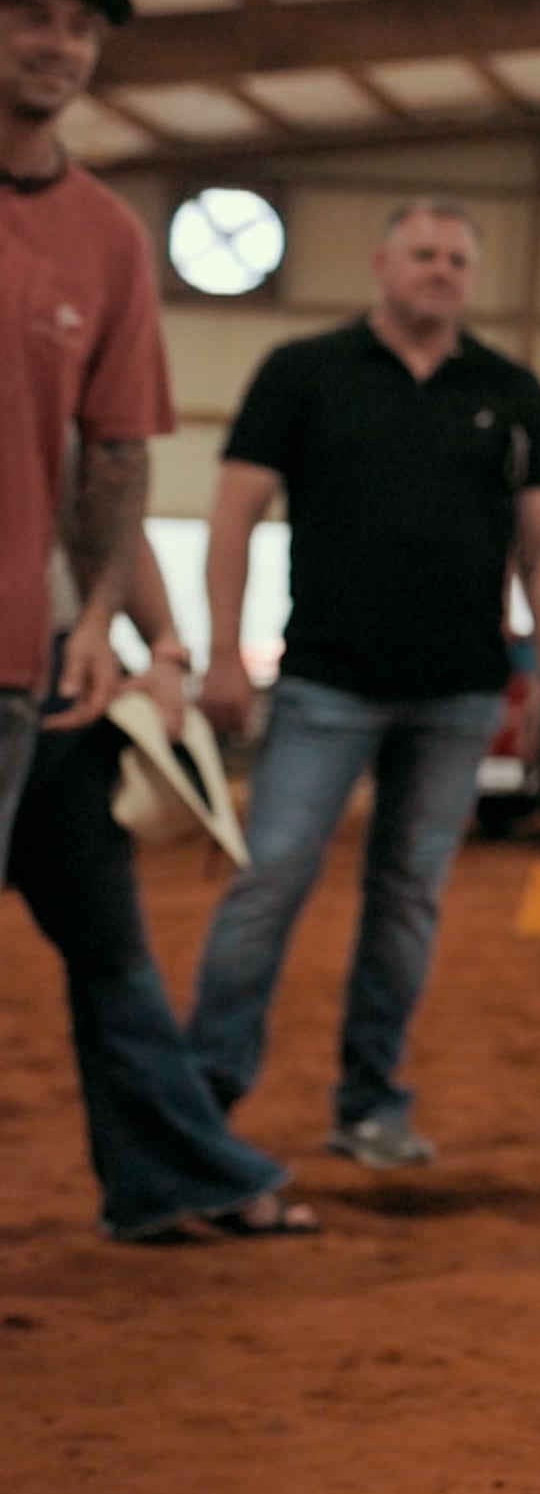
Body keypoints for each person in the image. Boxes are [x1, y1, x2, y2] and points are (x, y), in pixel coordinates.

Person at [192, 196, 540, 1173]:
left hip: (460, 695)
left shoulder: (512, 389)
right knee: (270, 877)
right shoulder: (302, 373)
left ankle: (370, 1106)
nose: (441, 270)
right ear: (380, 264)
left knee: (408, 900)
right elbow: (233, 516)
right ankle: (200, 1099)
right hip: (325, 681)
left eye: (457, 257)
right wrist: (223, 653)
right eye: (424, 254)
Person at [11, 523, 312, 1242]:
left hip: (62, 682)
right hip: (59, 674)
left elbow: (107, 497)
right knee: (112, 956)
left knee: (113, 953)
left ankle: (173, 1178)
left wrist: (166, 649)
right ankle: (177, 1178)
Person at [0, 0, 165, 852]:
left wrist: (100, 621)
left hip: (9, 658)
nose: (58, 44)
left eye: (79, 28)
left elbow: (118, 450)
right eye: (29, 16)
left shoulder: (107, 238)